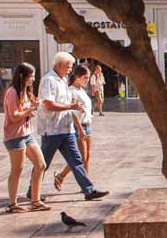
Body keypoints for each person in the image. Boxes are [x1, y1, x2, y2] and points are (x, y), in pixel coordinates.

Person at [27, 52, 108, 201]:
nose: (70, 70)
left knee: (77, 160)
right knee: (43, 163)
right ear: (59, 65)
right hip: (52, 130)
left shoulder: (63, 80)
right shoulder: (49, 80)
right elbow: (48, 104)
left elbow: (67, 103)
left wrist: (73, 107)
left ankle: (89, 190)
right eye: (69, 67)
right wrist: (70, 106)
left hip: (66, 129)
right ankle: (32, 190)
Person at [3, 62, 49, 213]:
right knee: (17, 169)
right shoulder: (12, 92)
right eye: (31, 76)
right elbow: (14, 116)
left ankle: (35, 201)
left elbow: (27, 114)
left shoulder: (25, 92)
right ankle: (12, 204)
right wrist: (30, 109)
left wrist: (32, 109)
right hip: (15, 136)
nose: (33, 79)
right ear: (22, 76)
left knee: (41, 164)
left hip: (27, 134)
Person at [55, 64, 93, 191]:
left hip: (87, 125)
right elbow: (72, 112)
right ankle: (61, 176)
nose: (87, 80)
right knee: (80, 157)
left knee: (87, 157)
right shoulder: (70, 91)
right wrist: (80, 130)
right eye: (85, 78)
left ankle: (86, 185)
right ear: (77, 77)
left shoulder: (82, 90)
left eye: (88, 78)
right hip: (78, 127)